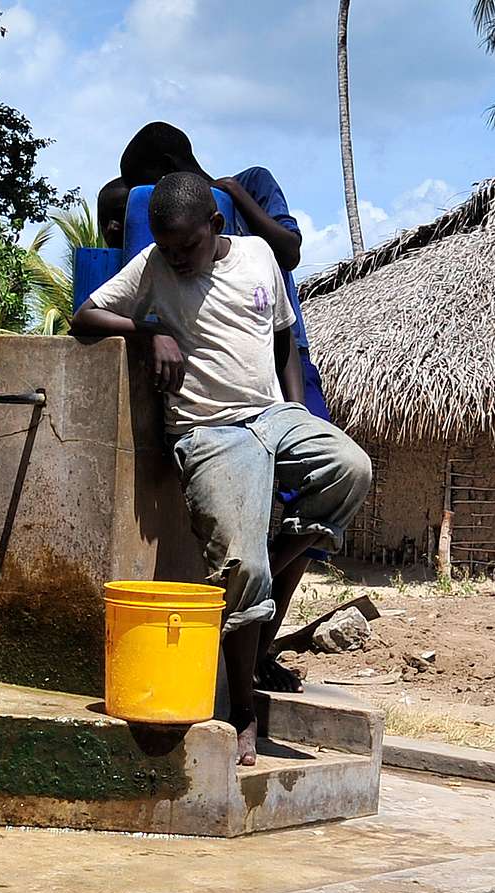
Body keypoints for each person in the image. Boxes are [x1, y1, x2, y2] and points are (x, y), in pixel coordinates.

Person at [72, 173, 372, 766]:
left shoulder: (260, 255)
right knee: (241, 564)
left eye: (187, 245)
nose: (177, 258)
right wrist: (149, 329)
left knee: (352, 468)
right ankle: (242, 710)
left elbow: (285, 336)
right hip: (210, 431)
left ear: (215, 225)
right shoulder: (155, 267)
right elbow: (86, 317)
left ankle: (280, 544)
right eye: (166, 245)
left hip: (272, 417)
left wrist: (292, 406)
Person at [119, 122, 330, 693]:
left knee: (307, 507)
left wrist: (230, 195)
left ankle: (258, 645)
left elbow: (290, 251)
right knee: (249, 547)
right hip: (219, 409)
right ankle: (247, 646)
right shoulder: (165, 225)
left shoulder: (252, 186)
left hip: (280, 373)